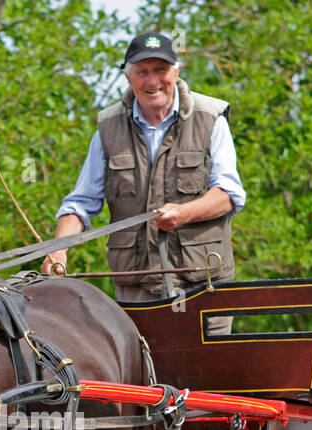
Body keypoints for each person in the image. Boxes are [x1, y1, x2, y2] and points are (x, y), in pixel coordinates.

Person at [44, 31, 244, 327]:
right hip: (134, 294)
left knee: (205, 373)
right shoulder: (108, 128)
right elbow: (80, 204)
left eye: (161, 70)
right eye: (142, 72)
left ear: (176, 72)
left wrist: (183, 213)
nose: (152, 81)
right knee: (135, 374)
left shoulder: (211, 118)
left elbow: (228, 194)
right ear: (128, 77)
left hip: (204, 288)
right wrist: (58, 250)